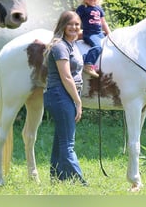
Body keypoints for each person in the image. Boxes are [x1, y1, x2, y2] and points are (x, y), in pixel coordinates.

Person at [43, 10, 88, 186]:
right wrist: (78, 101)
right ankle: (80, 182)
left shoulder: (72, 44)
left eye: (77, 24)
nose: (74, 27)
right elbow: (66, 76)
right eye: (70, 24)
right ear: (63, 25)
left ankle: (57, 177)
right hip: (59, 95)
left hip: (64, 95)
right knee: (68, 143)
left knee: (60, 139)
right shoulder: (60, 46)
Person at [76, 0, 111, 78]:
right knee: (97, 47)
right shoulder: (82, 8)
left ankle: (98, 66)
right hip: (90, 34)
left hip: (99, 33)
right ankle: (88, 64)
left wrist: (109, 34)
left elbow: (104, 22)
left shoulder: (98, 8)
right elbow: (76, 20)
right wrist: (77, 31)